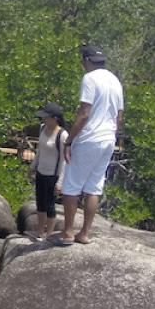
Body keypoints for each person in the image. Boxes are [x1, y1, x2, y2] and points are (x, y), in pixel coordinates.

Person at [57, 45, 124, 245]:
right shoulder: (115, 80)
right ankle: (84, 233)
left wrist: (69, 140)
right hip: (108, 138)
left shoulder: (90, 78)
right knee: (94, 187)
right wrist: (112, 134)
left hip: (89, 138)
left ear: (86, 61)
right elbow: (119, 116)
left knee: (72, 185)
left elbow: (84, 112)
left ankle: (68, 233)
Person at [29, 102, 67, 240]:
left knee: (50, 204)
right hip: (41, 171)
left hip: (53, 175)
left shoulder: (62, 135)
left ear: (55, 118)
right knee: (40, 202)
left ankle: (49, 234)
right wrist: (33, 166)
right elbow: (39, 151)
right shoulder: (42, 129)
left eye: (46, 117)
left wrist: (60, 182)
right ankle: (40, 231)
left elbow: (64, 160)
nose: (44, 119)